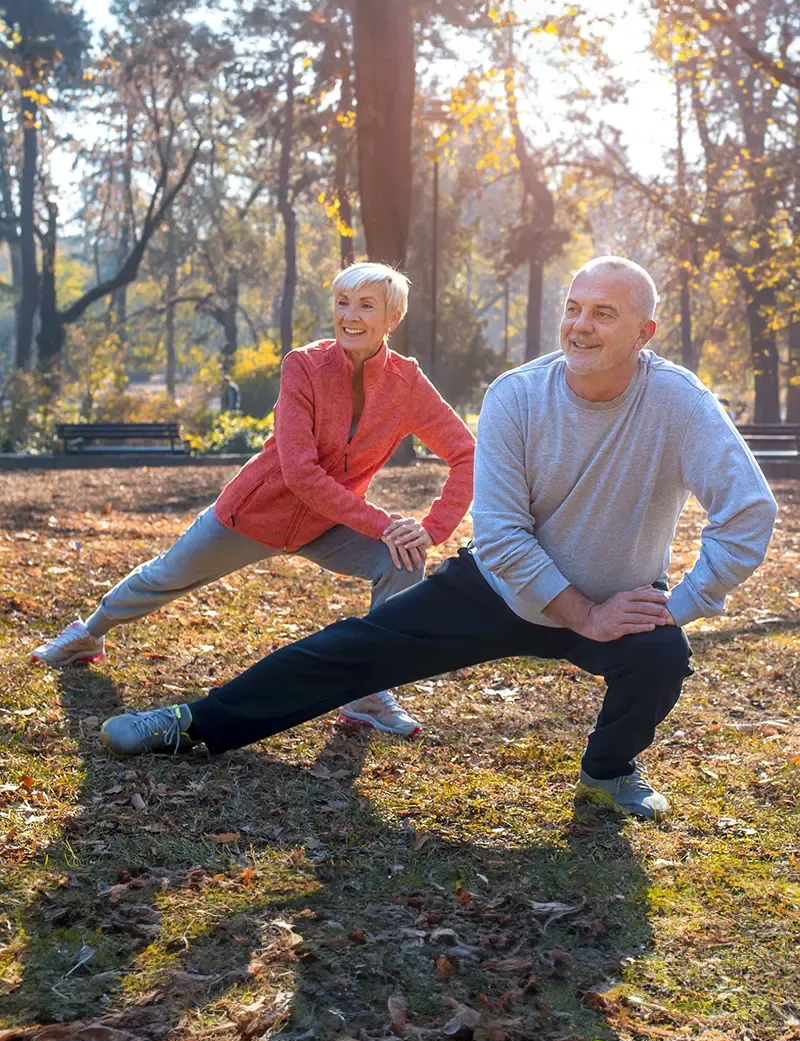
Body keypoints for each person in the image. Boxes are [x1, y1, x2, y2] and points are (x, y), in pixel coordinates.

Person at [100, 256, 777, 819]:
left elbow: (748, 511)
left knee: (662, 658)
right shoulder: (518, 396)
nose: (580, 324)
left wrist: (677, 605)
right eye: (574, 307)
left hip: (617, 597)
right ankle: (193, 723)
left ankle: (608, 768)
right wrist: (584, 614)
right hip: (499, 588)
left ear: (644, 331)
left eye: (603, 313)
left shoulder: (679, 402)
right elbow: (505, 536)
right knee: (350, 650)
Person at [33, 262, 475, 737]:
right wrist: (382, 521)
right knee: (166, 575)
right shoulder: (303, 366)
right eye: (342, 302)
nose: (350, 315)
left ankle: (367, 691)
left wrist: (430, 529)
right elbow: (301, 473)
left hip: (328, 524)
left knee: (403, 559)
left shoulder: (406, 384)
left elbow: (467, 453)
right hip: (255, 514)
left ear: (392, 319)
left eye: (366, 306)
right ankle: (88, 633)